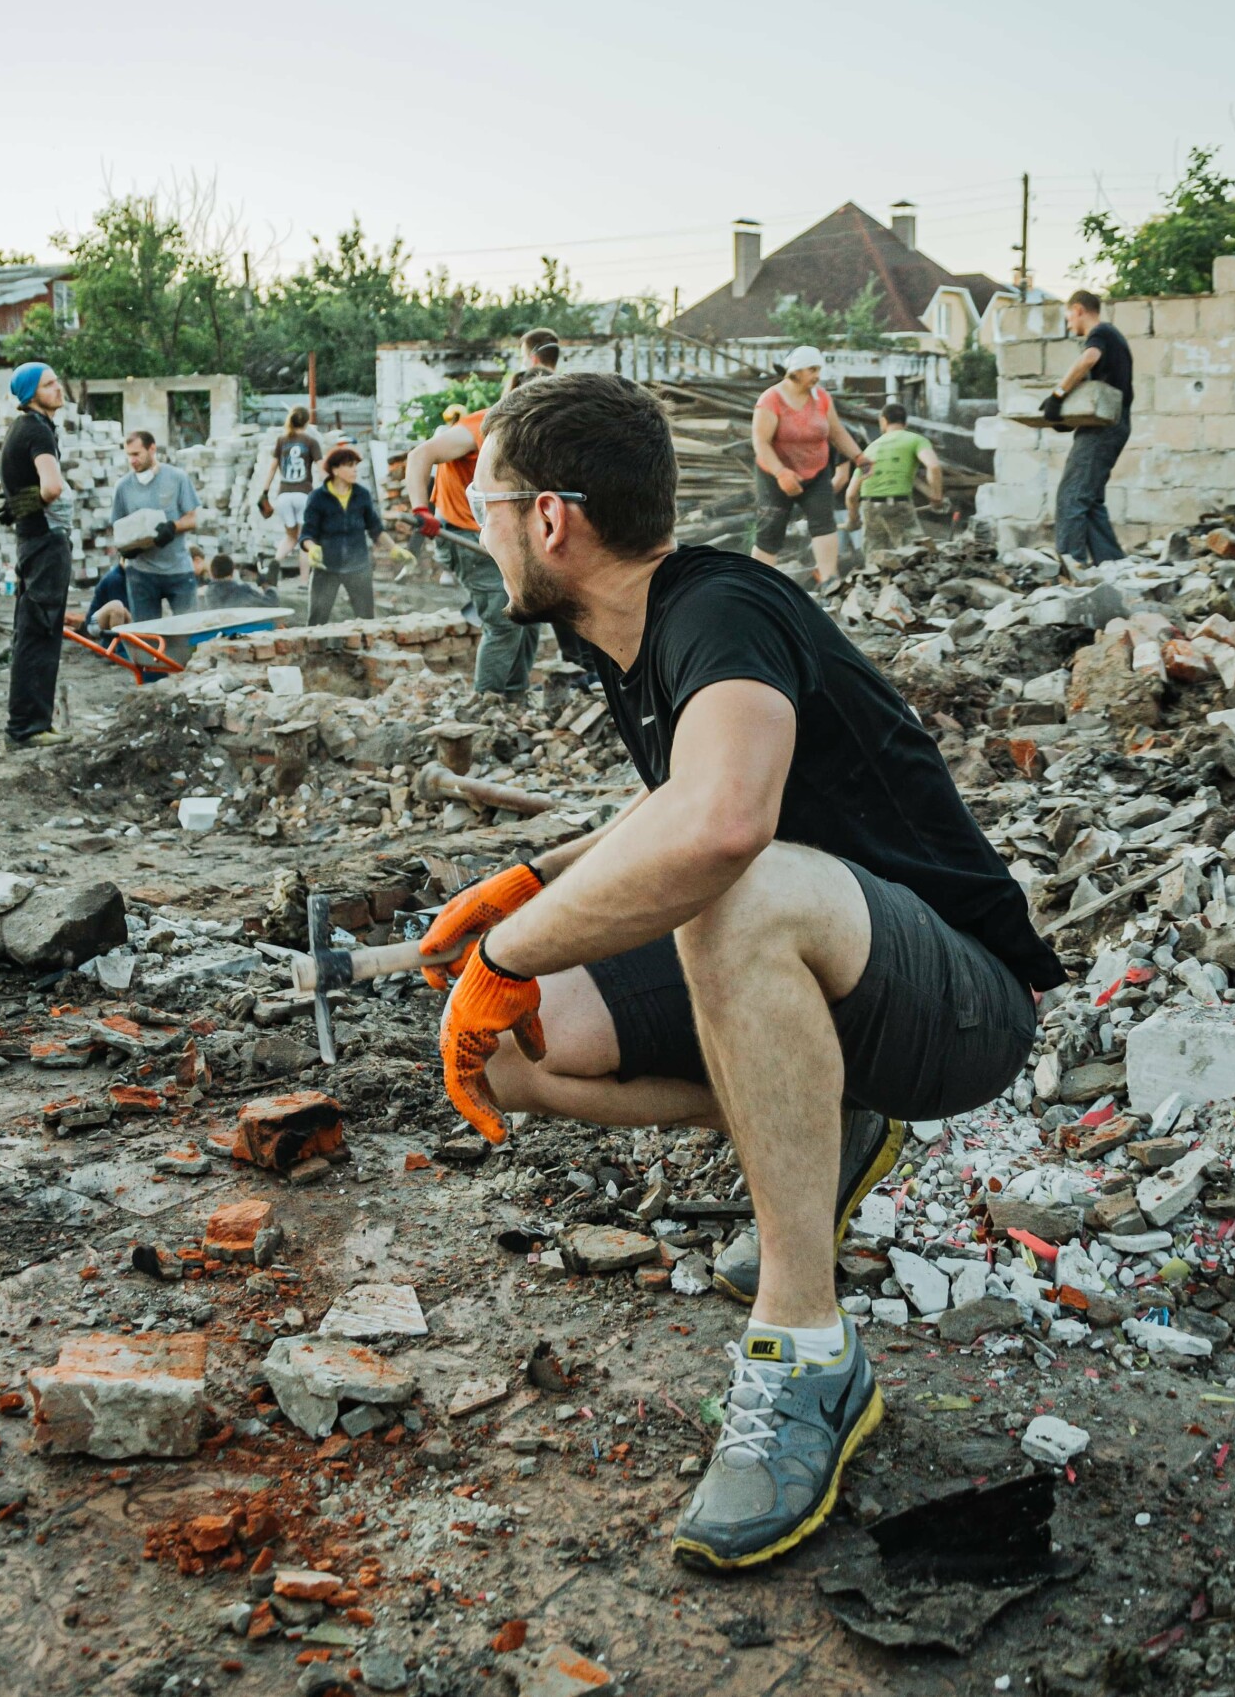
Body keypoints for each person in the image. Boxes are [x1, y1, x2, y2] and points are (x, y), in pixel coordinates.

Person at [406, 371, 1063, 1573]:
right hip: (837, 968)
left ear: (553, 522)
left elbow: (717, 822)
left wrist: (509, 949)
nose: (469, 521)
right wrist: (529, 880)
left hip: (963, 1002)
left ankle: (808, 1353)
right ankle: (823, 1115)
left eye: (487, 504)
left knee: (734, 887)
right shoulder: (617, 622)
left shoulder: (719, 610)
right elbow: (670, 800)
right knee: (508, 1047)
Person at [402, 329, 560, 697]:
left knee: (530, 615)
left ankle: (514, 698)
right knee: (503, 624)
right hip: (464, 535)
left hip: (502, 535)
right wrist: (420, 509)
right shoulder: (482, 427)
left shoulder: (526, 436)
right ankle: (485, 706)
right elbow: (418, 455)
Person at [751, 349, 869, 592]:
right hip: (775, 474)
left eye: (818, 370)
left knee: (824, 523)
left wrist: (858, 456)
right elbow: (760, 443)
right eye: (812, 370)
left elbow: (836, 432)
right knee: (770, 530)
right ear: (796, 372)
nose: (817, 375)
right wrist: (781, 473)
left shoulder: (822, 398)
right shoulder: (771, 399)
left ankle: (829, 581)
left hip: (815, 472)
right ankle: (757, 586)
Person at [0, 363, 73, 748]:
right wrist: (30, 500)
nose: (58, 388)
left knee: (37, 632)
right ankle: (26, 728)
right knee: (39, 633)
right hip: (45, 543)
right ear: (30, 394)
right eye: (49, 384)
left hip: (35, 542)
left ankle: (35, 723)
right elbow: (53, 486)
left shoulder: (29, 428)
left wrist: (20, 502)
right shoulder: (35, 430)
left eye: (57, 381)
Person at [1045, 289, 1133, 565]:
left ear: (1079, 309)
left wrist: (1058, 396)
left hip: (1103, 429)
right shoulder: (1113, 337)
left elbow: (1088, 359)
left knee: (1071, 496)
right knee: (1090, 500)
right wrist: (1069, 418)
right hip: (1114, 424)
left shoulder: (1101, 333)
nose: (1069, 324)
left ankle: (1069, 570)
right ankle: (1113, 565)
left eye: (1069, 316)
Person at [300, 445, 402, 622]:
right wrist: (312, 548)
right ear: (335, 469)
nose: (355, 470)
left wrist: (394, 549)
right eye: (349, 465)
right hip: (326, 567)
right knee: (317, 621)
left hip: (358, 566)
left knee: (367, 620)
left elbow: (375, 528)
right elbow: (307, 533)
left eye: (356, 465)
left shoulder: (362, 495)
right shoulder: (318, 498)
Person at [110, 432, 201, 625]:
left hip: (178, 570)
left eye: (137, 454)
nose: (132, 460)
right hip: (141, 573)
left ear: (152, 449)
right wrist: (127, 548)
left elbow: (193, 519)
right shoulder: (123, 487)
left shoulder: (177, 478)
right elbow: (117, 528)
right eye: (129, 455)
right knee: (146, 634)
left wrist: (172, 527)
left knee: (189, 628)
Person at [844, 402, 943, 554]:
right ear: (906, 422)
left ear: (883, 421)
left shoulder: (871, 448)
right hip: (897, 503)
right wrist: (936, 496)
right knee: (914, 554)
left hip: (869, 507)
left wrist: (853, 518)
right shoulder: (915, 440)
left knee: (875, 559)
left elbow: (851, 494)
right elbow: (934, 466)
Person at [262, 406, 323, 584]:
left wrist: (265, 491)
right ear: (306, 421)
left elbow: (273, 467)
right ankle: (304, 581)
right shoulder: (311, 442)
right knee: (305, 538)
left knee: (290, 536)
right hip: (303, 495)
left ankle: (275, 562)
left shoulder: (282, 441)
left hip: (283, 496)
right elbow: (321, 468)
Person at [203, 550, 282, 612]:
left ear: (212, 574)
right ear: (232, 572)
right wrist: (267, 586)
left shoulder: (209, 593)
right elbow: (272, 603)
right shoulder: (241, 591)